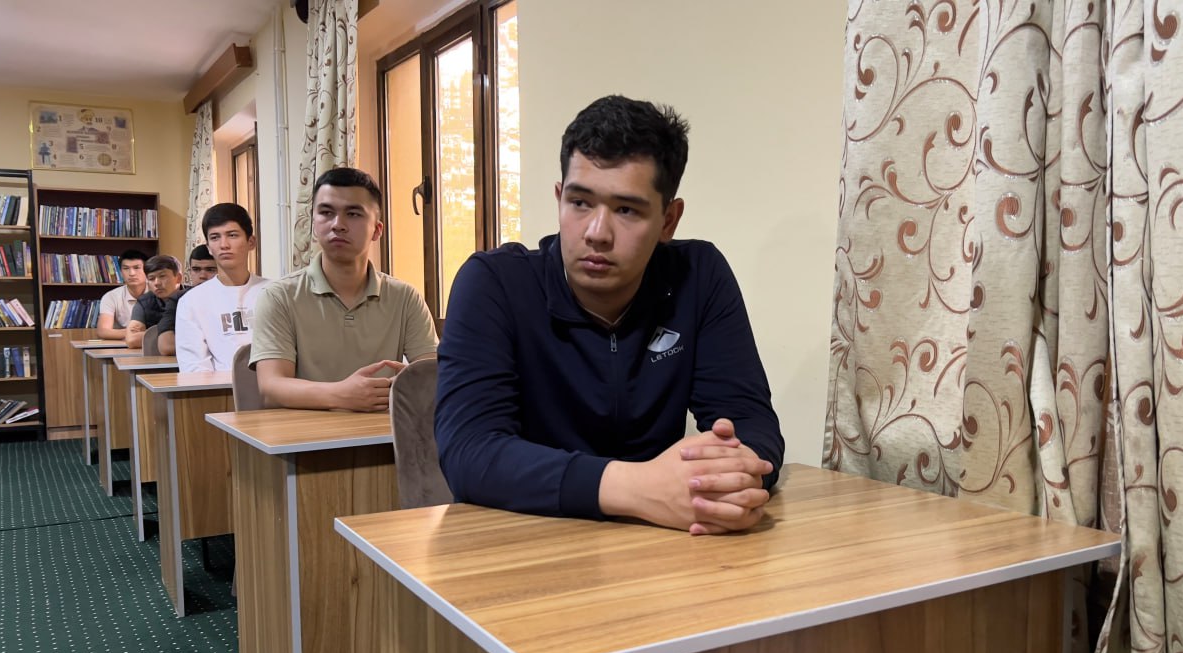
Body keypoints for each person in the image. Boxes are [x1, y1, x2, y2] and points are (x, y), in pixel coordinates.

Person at [436, 95, 784, 536]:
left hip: (660, 540)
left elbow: (752, 424)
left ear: (669, 220)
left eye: (626, 210)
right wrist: (640, 489)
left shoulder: (699, 276)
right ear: (559, 199)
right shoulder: (494, 283)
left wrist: (725, 484)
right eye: (580, 203)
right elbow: (469, 452)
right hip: (524, 536)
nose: (597, 233)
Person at [250, 168, 438, 411]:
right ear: (314, 224)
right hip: (305, 432)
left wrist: (408, 384)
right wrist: (341, 395)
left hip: (382, 430)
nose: (338, 225)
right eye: (326, 213)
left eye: (353, 214)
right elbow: (271, 387)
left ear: (377, 230)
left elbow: (432, 375)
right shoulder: (279, 296)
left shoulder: (405, 297)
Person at [174, 203, 268, 371]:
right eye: (215, 237)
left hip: (274, 384)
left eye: (232, 235)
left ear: (251, 242)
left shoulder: (274, 292)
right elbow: (194, 368)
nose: (224, 245)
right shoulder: (191, 301)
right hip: (219, 387)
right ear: (209, 248)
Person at [125, 255, 187, 351]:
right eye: (151, 278)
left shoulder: (192, 297)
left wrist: (150, 333)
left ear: (178, 278)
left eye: (162, 276)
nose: (157, 283)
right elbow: (132, 340)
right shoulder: (144, 302)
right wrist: (172, 332)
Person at [95, 249, 149, 340]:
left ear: (147, 270)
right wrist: (135, 333)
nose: (131, 273)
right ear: (120, 272)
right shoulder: (111, 296)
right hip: (125, 345)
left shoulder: (157, 292)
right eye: (126, 268)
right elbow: (102, 331)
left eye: (136, 268)